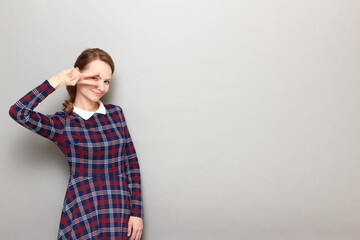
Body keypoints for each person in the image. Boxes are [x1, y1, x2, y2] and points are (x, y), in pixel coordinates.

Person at [9, 48, 144, 240]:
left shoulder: (116, 113)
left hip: (120, 208)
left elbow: (131, 164)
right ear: (77, 75)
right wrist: (57, 80)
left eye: (107, 81)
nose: (101, 87)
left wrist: (137, 212)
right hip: (84, 209)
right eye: (94, 78)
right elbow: (19, 112)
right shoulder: (63, 124)